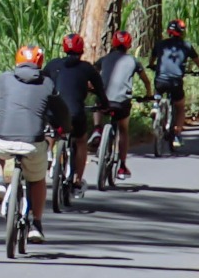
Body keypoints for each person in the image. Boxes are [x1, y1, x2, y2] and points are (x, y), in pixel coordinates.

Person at [0, 43, 73, 242]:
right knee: (37, 180)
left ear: (17, 60)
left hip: (4, 138)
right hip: (33, 144)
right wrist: (64, 128)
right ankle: (36, 225)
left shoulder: (4, 79)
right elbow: (61, 111)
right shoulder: (47, 83)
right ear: (40, 62)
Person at [43, 32, 105, 189]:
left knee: (51, 131)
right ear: (82, 50)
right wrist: (105, 104)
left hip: (54, 113)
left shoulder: (53, 65)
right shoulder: (87, 68)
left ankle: (48, 155)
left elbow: (42, 83)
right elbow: (100, 90)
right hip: (75, 113)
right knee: (81, 141)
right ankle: (78, 178)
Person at [151, 19, 199, 146]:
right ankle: (177, 135)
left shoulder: (160, 44)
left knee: (158, 88)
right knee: (180, 106)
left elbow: (152, 60)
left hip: (160, 80)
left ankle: (155, 105)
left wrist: (152, 65)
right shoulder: (186, 46)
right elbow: (198, 61)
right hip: (175, 81)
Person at [97, 30, 140, 183]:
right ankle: (122, 165)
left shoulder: (105, 59)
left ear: (113, 44)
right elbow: (146, 80)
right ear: (129, 44)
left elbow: (94, 72)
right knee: (123, 130)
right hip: (122, 103)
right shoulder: (133, 61)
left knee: (99, 102)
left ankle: (97, 128)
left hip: (105, 101)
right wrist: (148, 93)